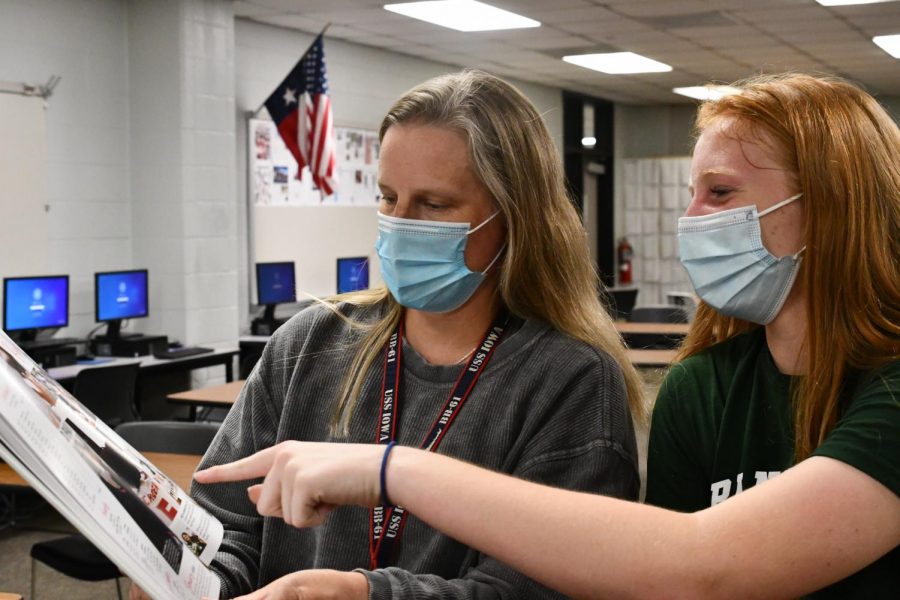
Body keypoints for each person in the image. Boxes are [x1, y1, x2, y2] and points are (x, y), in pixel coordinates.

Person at [196, 73, 899, 599]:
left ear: (833, 205)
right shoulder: (701, 387)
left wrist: (387, 472)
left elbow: (698, 565)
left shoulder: (568, 378)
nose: (691, 219)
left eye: (719, 194)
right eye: (386, 199)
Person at [182, 70, 645, 599]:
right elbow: (220, 526)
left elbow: (537, 589)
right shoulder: (309, 343)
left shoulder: (570, 380)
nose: (400, 224)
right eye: (387, 197)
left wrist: (362, 595)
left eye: (434, 205)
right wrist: (192, 579)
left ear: (516, 216)